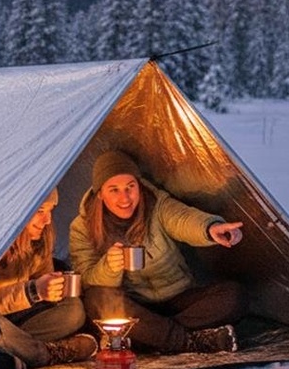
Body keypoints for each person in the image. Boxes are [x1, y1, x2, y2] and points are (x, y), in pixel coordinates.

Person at [68, 150, 248, 355]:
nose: (124, 198)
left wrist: (210, 228)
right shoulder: (82, 227)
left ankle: (149, 339)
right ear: (100, 193)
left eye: (130, 187)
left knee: (235, 296)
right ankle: (188, 341)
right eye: (114, 190)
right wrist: (109, 267)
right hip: (135, 307)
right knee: (96, 298)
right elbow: (87, 279)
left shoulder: (157, 204)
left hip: (178, 300)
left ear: (139, 185)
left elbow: (183, 219)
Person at [0, 188, 97, 368]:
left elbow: (42, 283)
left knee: (74, 309)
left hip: (23, 319)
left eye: (50, 211)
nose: (47, 220)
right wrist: (33, 291)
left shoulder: (41, 237)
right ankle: (44, 353)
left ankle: (16, 350)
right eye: (40, 211)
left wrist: (53, 288)